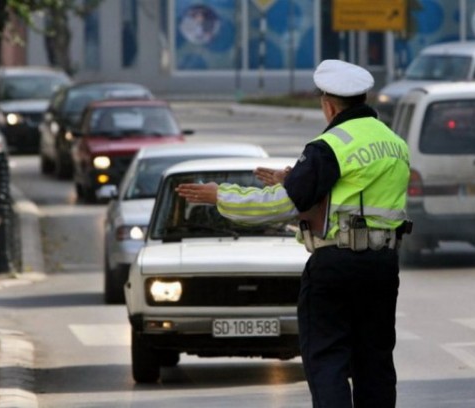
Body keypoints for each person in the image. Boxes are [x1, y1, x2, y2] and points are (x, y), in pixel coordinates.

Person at [175, 59, 411, 407]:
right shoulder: (395, 144)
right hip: (382, 265)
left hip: (336, 264)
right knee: (374, 361)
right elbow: (355, 195)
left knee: (327, 358)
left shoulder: (331, 144)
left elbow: (279, 206)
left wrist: (220, 195)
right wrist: (294, 178)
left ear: (329, 105)